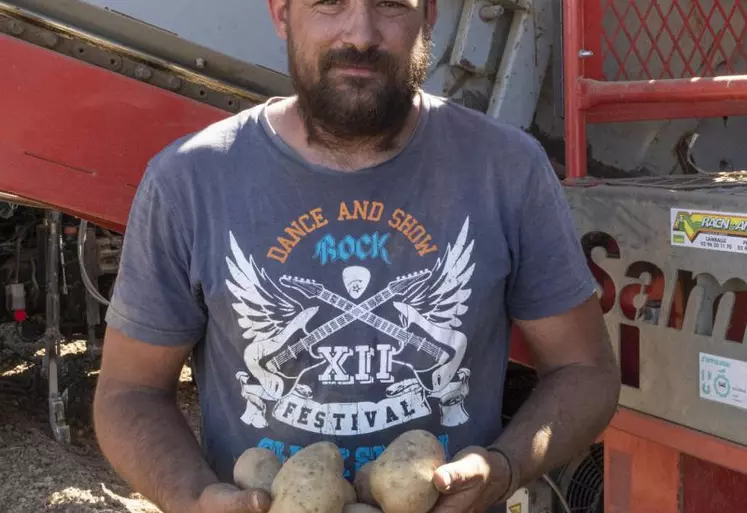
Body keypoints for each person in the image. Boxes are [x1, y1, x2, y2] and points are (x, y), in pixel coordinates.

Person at [92, 1, 621, 512]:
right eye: (329, 2)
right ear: (282, 14)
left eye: (390, 3)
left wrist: (503, 468)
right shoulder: (190, 180)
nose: (361, 34)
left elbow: (584, 369)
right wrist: (191, 500)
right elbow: (129, 392)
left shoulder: (507, 170)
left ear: (429, 14)